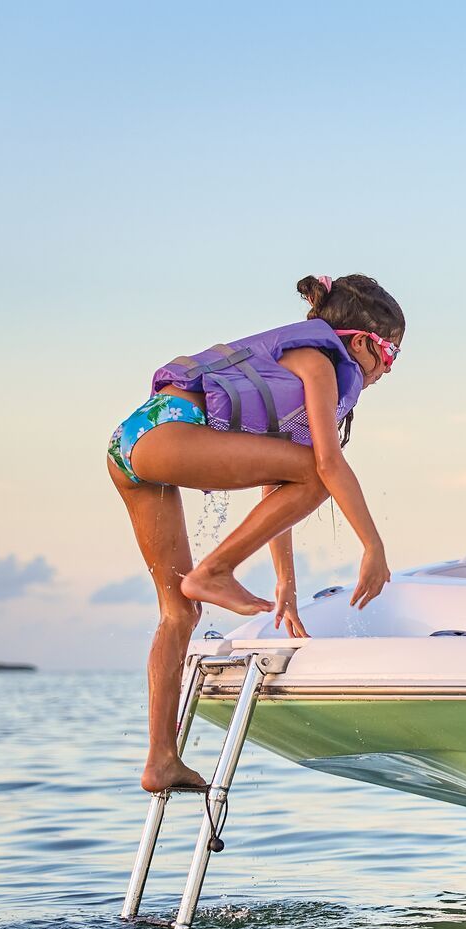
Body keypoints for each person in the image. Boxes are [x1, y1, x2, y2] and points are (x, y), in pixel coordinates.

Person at [107, 274, 403, 792]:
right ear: (359, 341)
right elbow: (327, 466)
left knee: (180, 611)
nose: (387, 372)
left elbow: (277, 482)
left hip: (133, 442)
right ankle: (215, 570)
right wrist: (373, 546)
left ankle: (160, 761)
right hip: (168, 429)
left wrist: (285, 583)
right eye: (389, 355)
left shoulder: (293, 366)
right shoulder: (318, 362)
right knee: (316, 470)